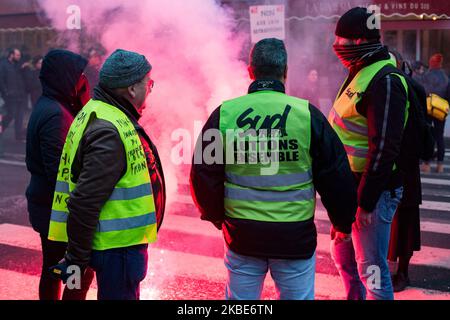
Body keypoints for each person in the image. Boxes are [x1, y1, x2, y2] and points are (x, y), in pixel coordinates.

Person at [190, 38, 357, 300]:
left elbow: (203, 175)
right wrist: (342, 222)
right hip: (294, 238)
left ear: (250, 71)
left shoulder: (224, 114)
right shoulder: (307, 115)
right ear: (286, 72)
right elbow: (336, 176)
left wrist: (217, 218)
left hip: (242, 236)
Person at [47, 49, 166, 300]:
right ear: (132, 89)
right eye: (149, 83)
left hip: (111, 246)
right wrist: (77, 260)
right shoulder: (109, 128)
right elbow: (85, 201)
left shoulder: (99, 110)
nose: (151, 89)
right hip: (116, 249)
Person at [328, 7, 408, 300]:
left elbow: (384, 148)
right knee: (343, 256)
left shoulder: (385, 81)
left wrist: (365, 203)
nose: (336, 46)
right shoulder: (360, 70)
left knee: (372, 270)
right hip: (348, 188)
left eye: (341, 40)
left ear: (360, 41)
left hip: (372, 194)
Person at [25, 49, 94, 300]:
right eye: (79, 75)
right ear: (65, 78)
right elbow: (60, 171)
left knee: (53, 269)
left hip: (46, 205)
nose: (83, 80)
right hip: (54, 209)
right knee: (79, 271)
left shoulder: (53, 106)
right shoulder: (56, 114)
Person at [387, 51, 426, 292]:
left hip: (406, 163)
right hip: (390, 161)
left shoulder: (412, 87)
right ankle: (394, 270)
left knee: (406, 219)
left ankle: (403, 272)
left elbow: (421, 129)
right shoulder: (381, 84)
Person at [421, 53, 448, 173]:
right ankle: (440, 165)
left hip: (428, 109)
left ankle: (426, 164)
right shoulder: (446, 77)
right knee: (439, 136)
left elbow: (422, 91)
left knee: (428, 136)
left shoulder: (425, 76)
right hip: (441, 110)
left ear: (432, 63)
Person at [0, 48, 28, 140]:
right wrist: (6, 92)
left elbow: (21, 79)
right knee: (10, 115)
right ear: (11, 55)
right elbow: (1, 80)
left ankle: (18, 135)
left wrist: (24, 69)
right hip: (10, 96)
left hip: (20, 94)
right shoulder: (3, 65)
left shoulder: (17, 65)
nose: (19, 57)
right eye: (17, 55)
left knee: (19, 116)